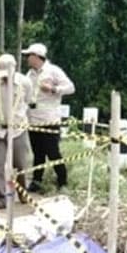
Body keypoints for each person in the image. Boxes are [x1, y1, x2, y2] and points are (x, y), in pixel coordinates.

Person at [0, 53, 34, 210]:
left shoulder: (25, 82)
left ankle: (23, 192)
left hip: (18, 129)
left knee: (20, 163)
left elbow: (27, 101)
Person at [23, 42, 75, 192]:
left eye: (29, 56)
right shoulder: (30, 74)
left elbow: (71, 87)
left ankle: (62, 181)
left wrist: (53, 89)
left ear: (37, 57)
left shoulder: (53, 71)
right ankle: (36, 181)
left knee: (52, 152)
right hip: (33, 118)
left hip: (49, 119)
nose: (27, 59)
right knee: (37, 152)